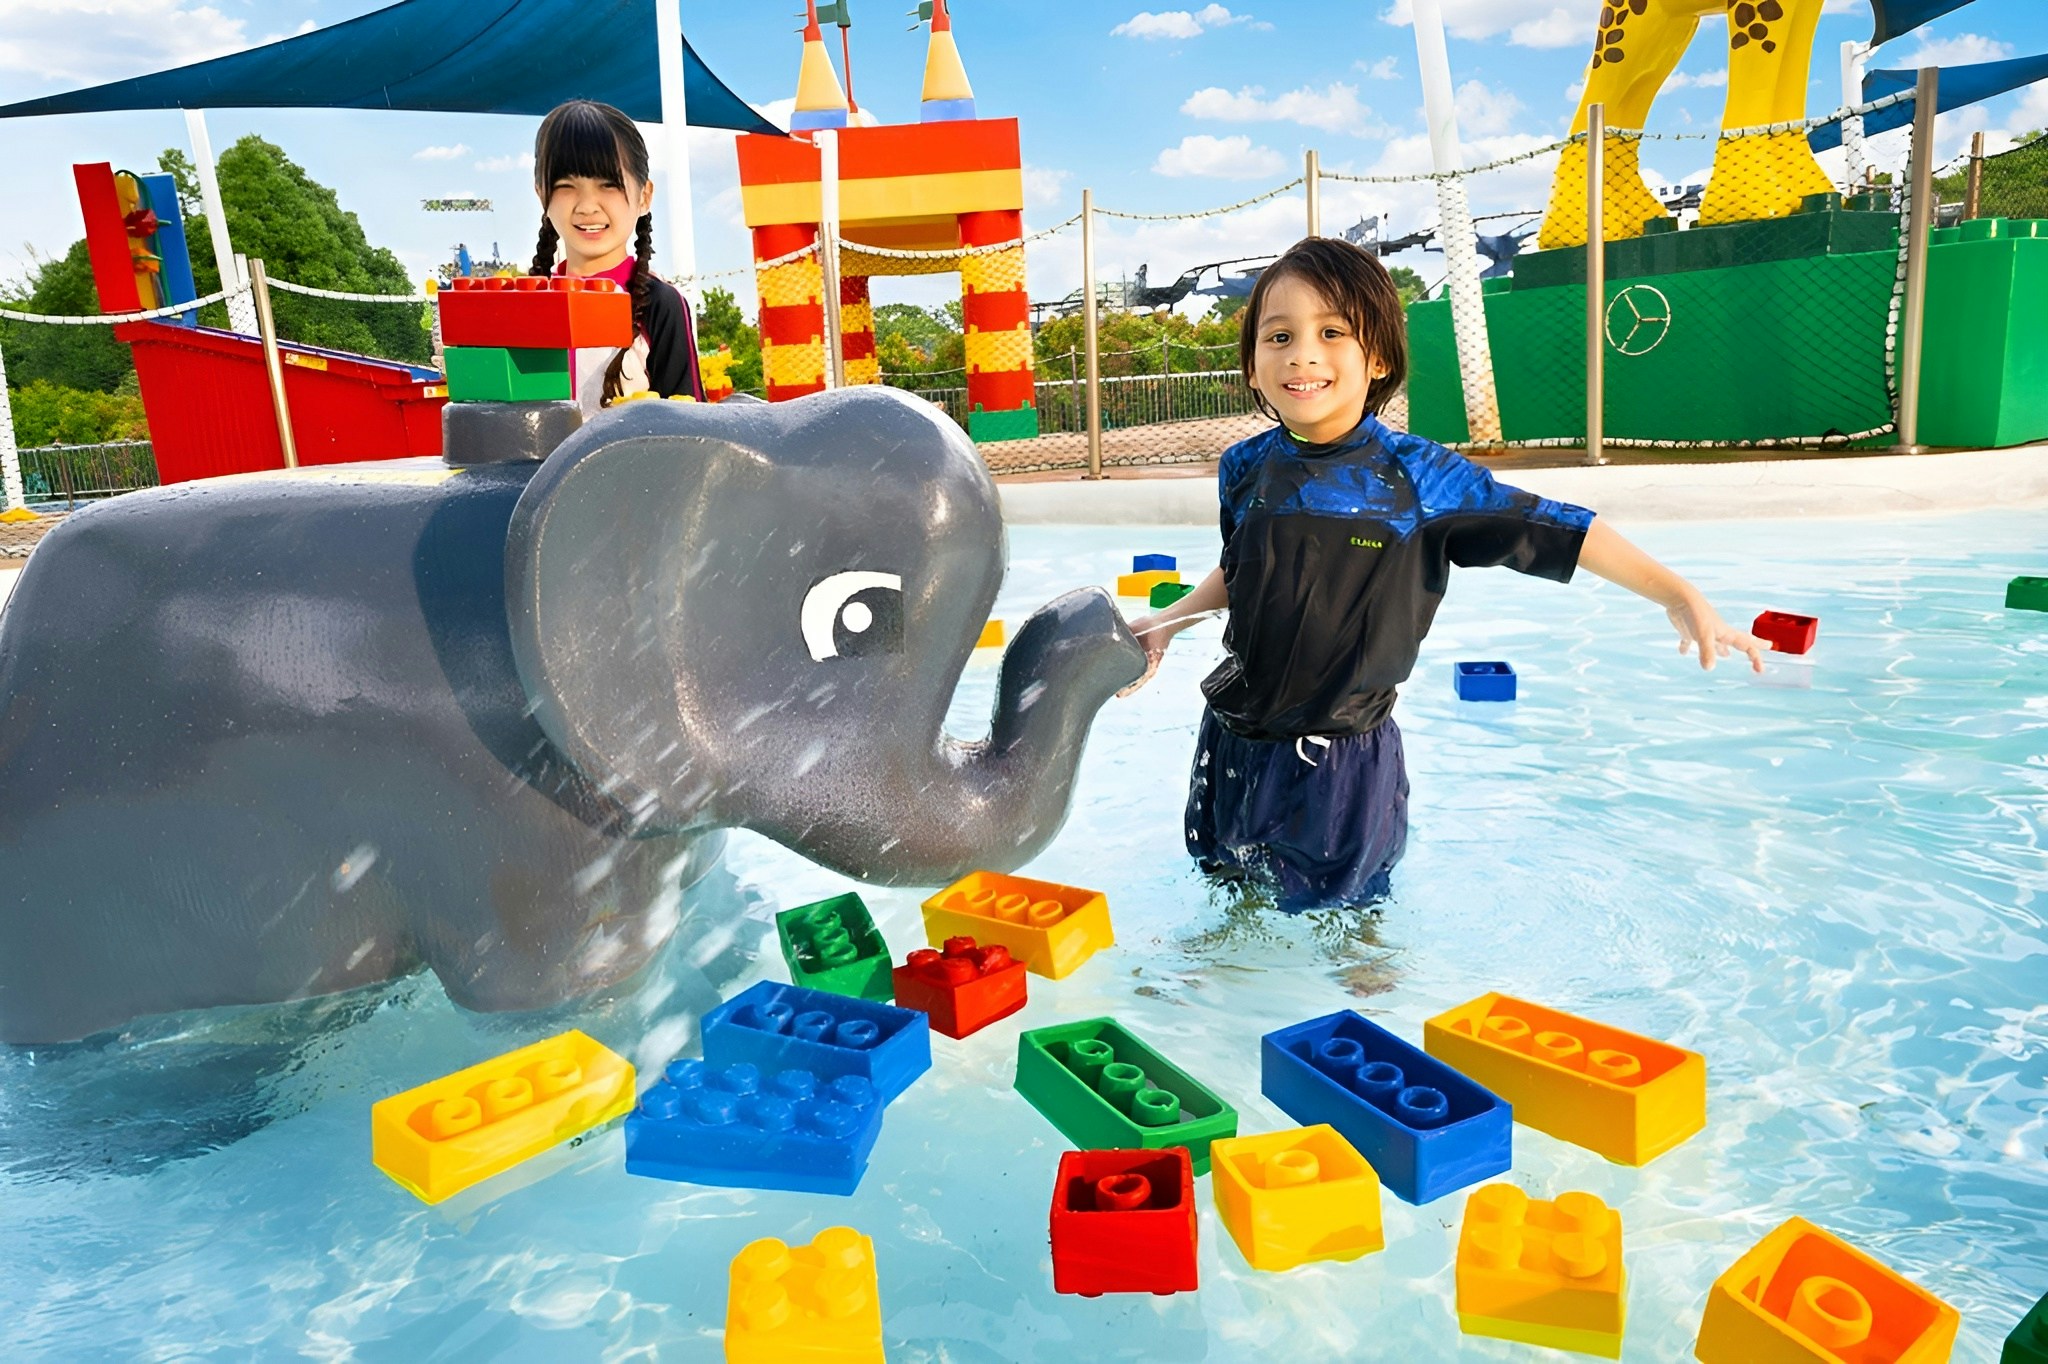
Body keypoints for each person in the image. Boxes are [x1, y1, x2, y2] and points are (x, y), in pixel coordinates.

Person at [1124, 237, 1763, 913]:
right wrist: (1167, 624)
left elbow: (1556, 526)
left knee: (1349, 928)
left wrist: (1677, 592)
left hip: (1339, 759)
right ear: (1253, 366)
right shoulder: (1245, 467)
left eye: (1331, 332)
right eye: (1278, 336)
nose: (1302, 354)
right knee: (1230, 901)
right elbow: (1245, 569)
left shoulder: (1420, 480)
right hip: (1232, 739)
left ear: (1376, 358)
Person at [529, 100, 704, 413]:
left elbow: (689, 422)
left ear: (645, 196)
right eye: (566, 185)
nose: (587, 206)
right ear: (542, 193)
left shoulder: (660, 304)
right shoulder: (524, 304)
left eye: (609, 185)